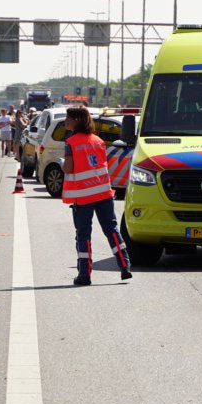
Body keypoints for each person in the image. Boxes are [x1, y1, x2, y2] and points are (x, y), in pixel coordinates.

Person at [62, 105, 132, 286]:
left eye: (68, 118)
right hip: (103, 192)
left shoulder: (71, 142)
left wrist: (63, 164)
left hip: (83, 196)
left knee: (84, 235)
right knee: (112, 230)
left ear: (76, 120)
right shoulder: (98, 140)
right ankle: (125, 266)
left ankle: (84, 275)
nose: (65, 121)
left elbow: (68, 168)